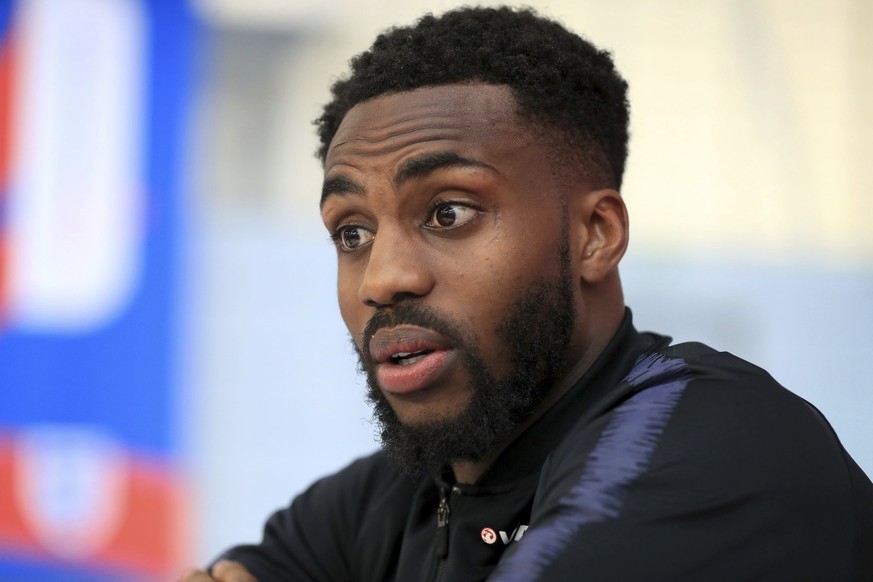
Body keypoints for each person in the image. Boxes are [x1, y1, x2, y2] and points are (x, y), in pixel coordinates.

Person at [179, 6, 873, 581]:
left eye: (448, 212)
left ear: (595, 235)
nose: (384, 278)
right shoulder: (385, 499)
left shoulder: (718, 443)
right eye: (352, 232)